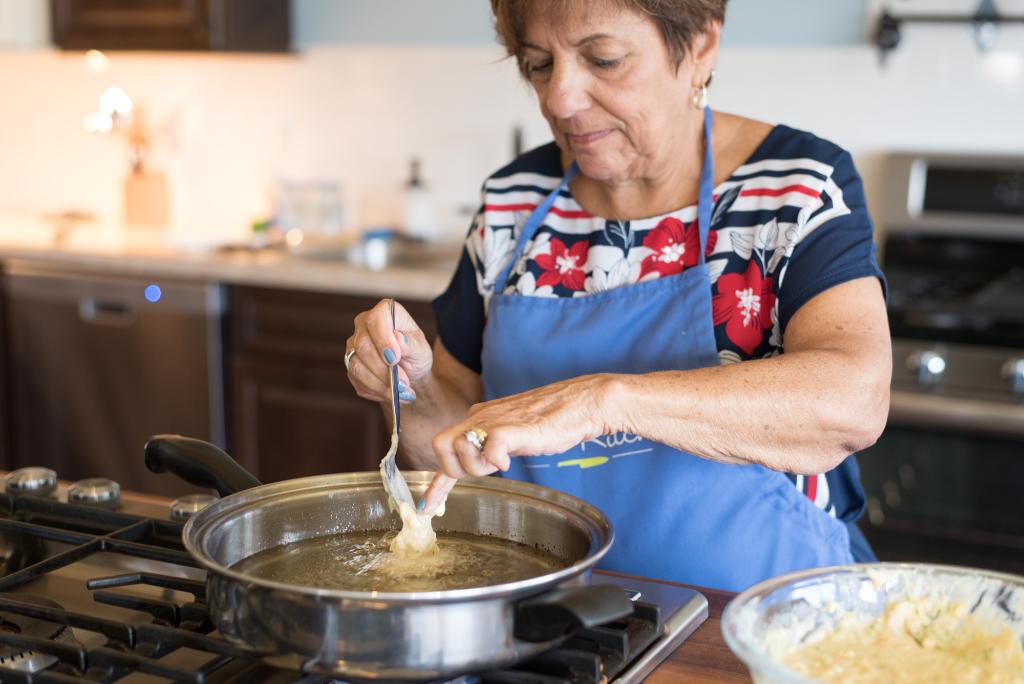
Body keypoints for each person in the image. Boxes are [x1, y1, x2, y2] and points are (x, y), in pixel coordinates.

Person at [344, 0, 891, 591]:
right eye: (538, 65)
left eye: (603, 60)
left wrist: (602, 403)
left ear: (701, 46)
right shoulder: (514, 201)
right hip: (552, 616)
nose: (560, 99)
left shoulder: (794, 188)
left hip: (759, 622)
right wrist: (409, 382)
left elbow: (851, 402)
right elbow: (446, 447)